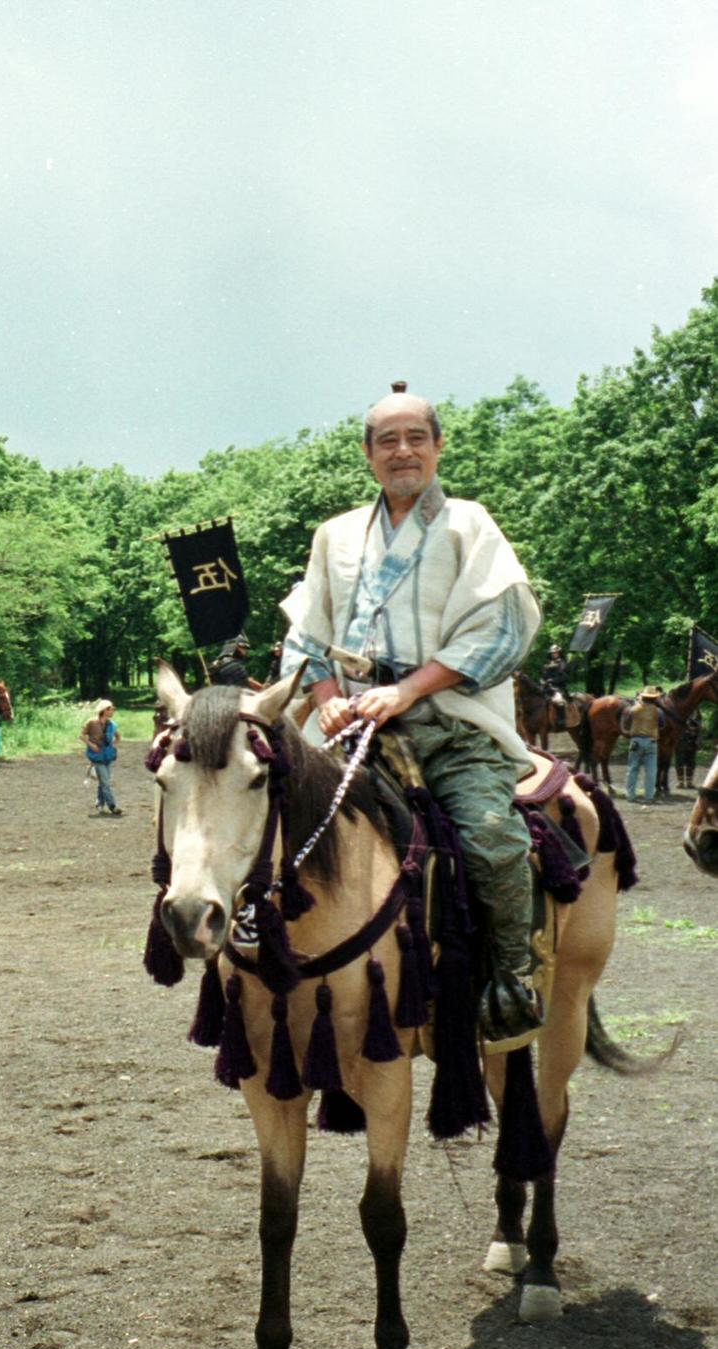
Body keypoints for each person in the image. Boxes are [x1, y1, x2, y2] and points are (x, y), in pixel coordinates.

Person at [280, 383, 544, 1042]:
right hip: (351, 728)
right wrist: (327, 699)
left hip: (451, 724)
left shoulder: (469, 524)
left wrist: (409, 690)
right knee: (276, 825)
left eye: (416, 438)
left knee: (491, 835)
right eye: (388, 441)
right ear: (368, 454)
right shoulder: (334, 535)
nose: (403, 452)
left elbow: (500, 626)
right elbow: (307, 634)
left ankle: (510, 977)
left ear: (437, 447)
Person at [81, 699, 122, 816]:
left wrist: (114, 745)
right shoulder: (91, 722)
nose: (113, 711)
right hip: (97, 757)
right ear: (104, 710)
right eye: (111, 709)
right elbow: (82, 736)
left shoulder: (112, 724)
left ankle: (99, 804)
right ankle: (112, 806)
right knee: (105, 782)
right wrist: (91, 745)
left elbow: (118, 737)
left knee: (104, 782)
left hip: (108, 757)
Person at [624, 685, 663, 804]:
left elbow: (626, 723)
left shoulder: (633, 709)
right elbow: (662, 724)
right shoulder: (658, 711)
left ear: (643, 697)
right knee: (651, 771)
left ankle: (631, 795)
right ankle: (649, 797)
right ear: (654, 698)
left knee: (632, 768)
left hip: (635, 741)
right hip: (651, 741)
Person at [541, 642, 572, 728]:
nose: (554, 654)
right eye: (553, 653)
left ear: (559, 653)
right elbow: (544, 676)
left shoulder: (563, 663)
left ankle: (561, 720)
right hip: (547, 688)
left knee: (559, 700)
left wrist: (553, 680)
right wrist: (543, 681)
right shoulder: (547, 664)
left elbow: (565, 677)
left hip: (559, 688)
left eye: (556, 652)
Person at [676, 712, 701, 790]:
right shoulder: (677, 713)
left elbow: (699, 729)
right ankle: (681, 782)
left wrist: (698, 741)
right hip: (680, 742)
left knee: (690, 763)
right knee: (680, 762)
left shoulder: (696, 714)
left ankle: (689, 782)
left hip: (691, 742)